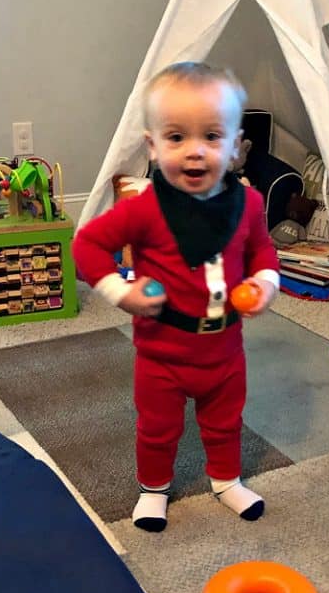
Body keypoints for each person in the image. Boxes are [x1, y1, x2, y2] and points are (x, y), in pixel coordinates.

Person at [73, 61, 279, 532]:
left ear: (235, 146)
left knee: (226, 421)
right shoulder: (145, 207)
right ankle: (154, 489)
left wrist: (266, 282)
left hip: (224, 350)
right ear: (152, 145)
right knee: (157, 428)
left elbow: (263, 249)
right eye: (176, 137)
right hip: (162, 352)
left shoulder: (247, 203)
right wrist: (121, 292)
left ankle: (226, 481)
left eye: (211, 136)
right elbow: (86, 244)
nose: (194, 152)